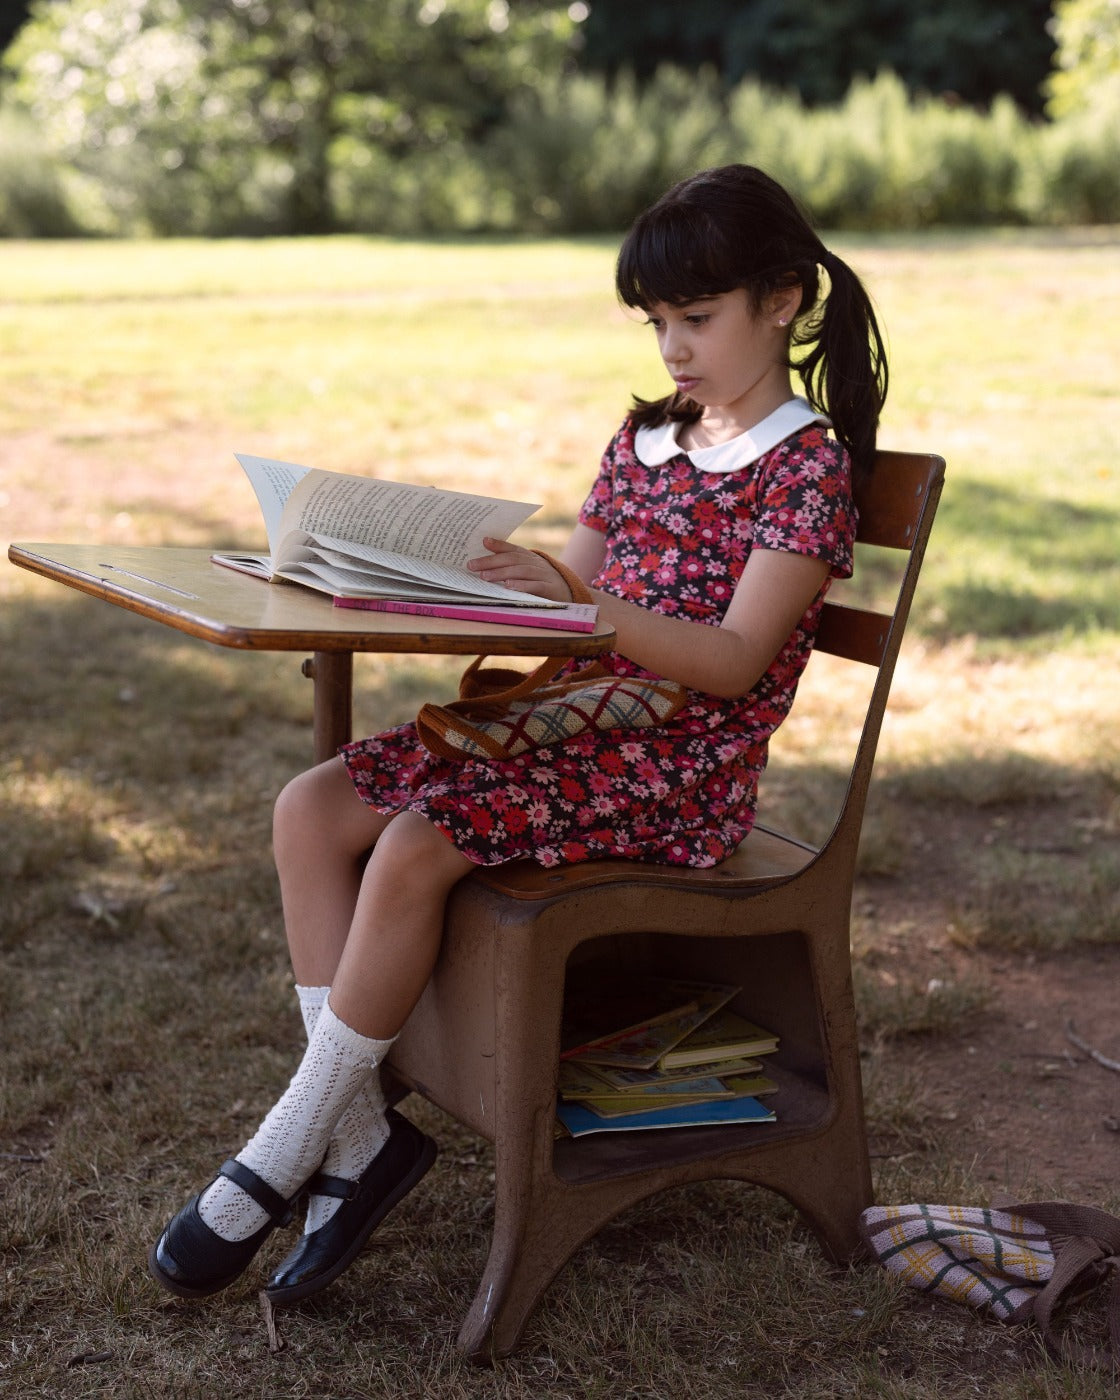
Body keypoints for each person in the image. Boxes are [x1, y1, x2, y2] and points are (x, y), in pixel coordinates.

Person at [148, 163, 888, 1304]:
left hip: (679, 768)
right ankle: (359, 1144)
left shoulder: (803, 468)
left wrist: (584, 608)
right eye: (656, 323)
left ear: (781, 298)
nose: (673, 348)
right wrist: (454, 584)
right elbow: (564, 615)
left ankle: (284, 1147)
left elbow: (734, 661)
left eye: (696, 318)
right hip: (573, 724)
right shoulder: (645, 442)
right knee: (312, 807)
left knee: (412, 840)